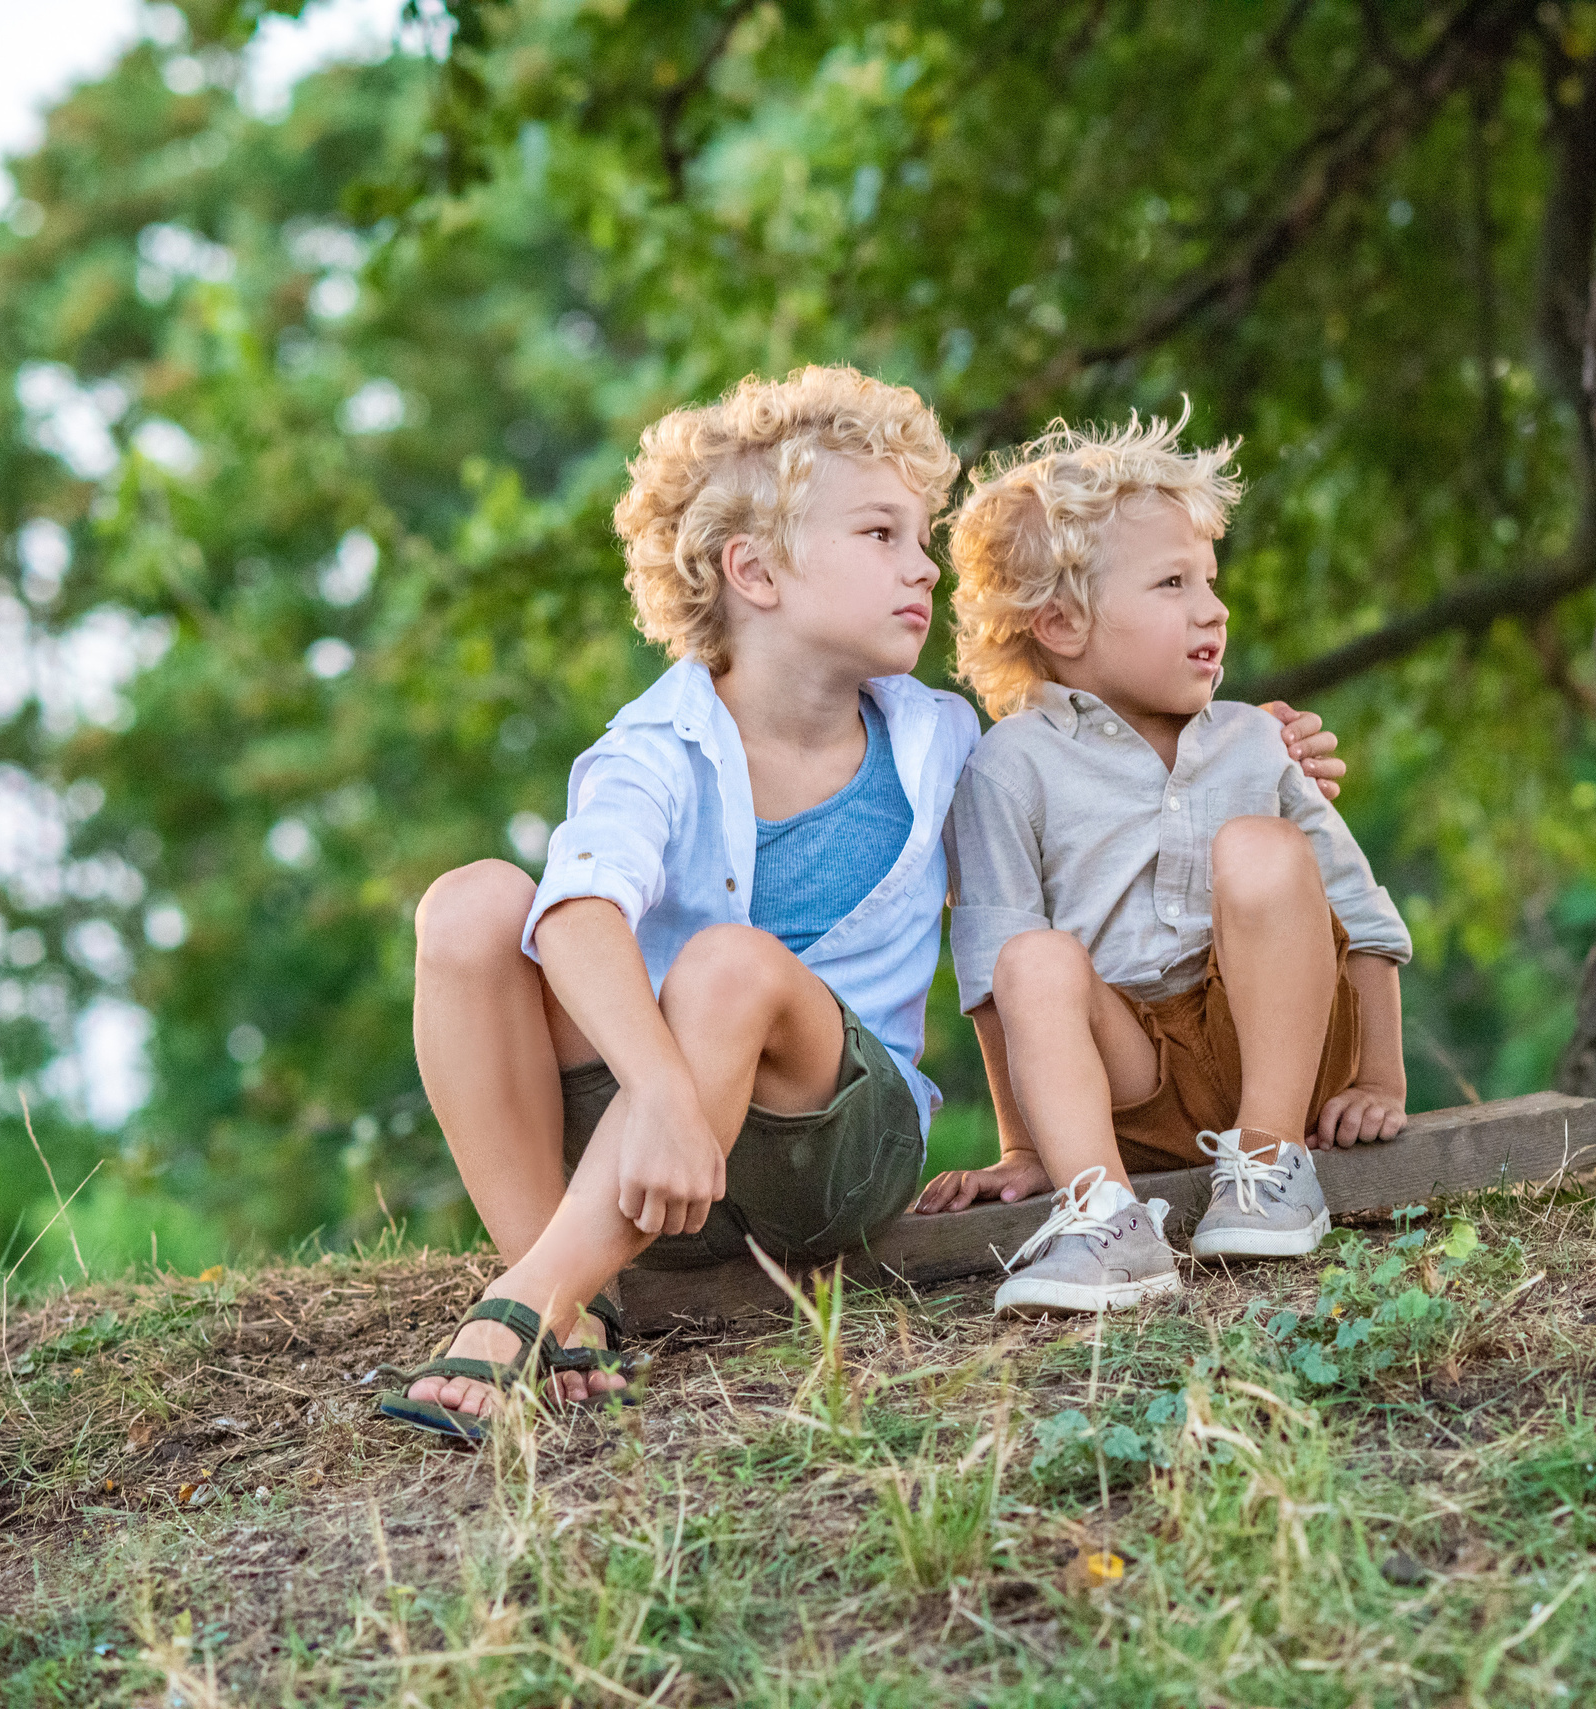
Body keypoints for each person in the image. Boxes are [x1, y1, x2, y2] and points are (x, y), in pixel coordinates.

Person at [381, 367, 1347, 1437]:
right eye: (881, 534)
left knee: (729, 963)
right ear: (754, 570)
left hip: (833, 1143)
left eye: (920, 538)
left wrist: (1245, 744)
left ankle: (517, 1307)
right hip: (660, 1144)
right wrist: (656, 1090)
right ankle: (574, 1312)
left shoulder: (941, 739)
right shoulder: (656, 743)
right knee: (471, 905)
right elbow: (575, 915)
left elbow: (1086, 782)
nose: (922, 566)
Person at [913, 412, 1412, 1318]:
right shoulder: (1007, 767)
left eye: (1209, 581)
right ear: (1061, 622)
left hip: (1278, 1049)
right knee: (1032, 956)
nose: (1212, 608)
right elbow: (993, 979)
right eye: (1173, 582)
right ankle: (1104, 1217)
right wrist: (1023, 1147)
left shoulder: (1256, 739)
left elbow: (1361, 911)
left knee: (1262, 849)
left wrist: (1381, 1079)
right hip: (1129, 1082)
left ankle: (1269, 1160)